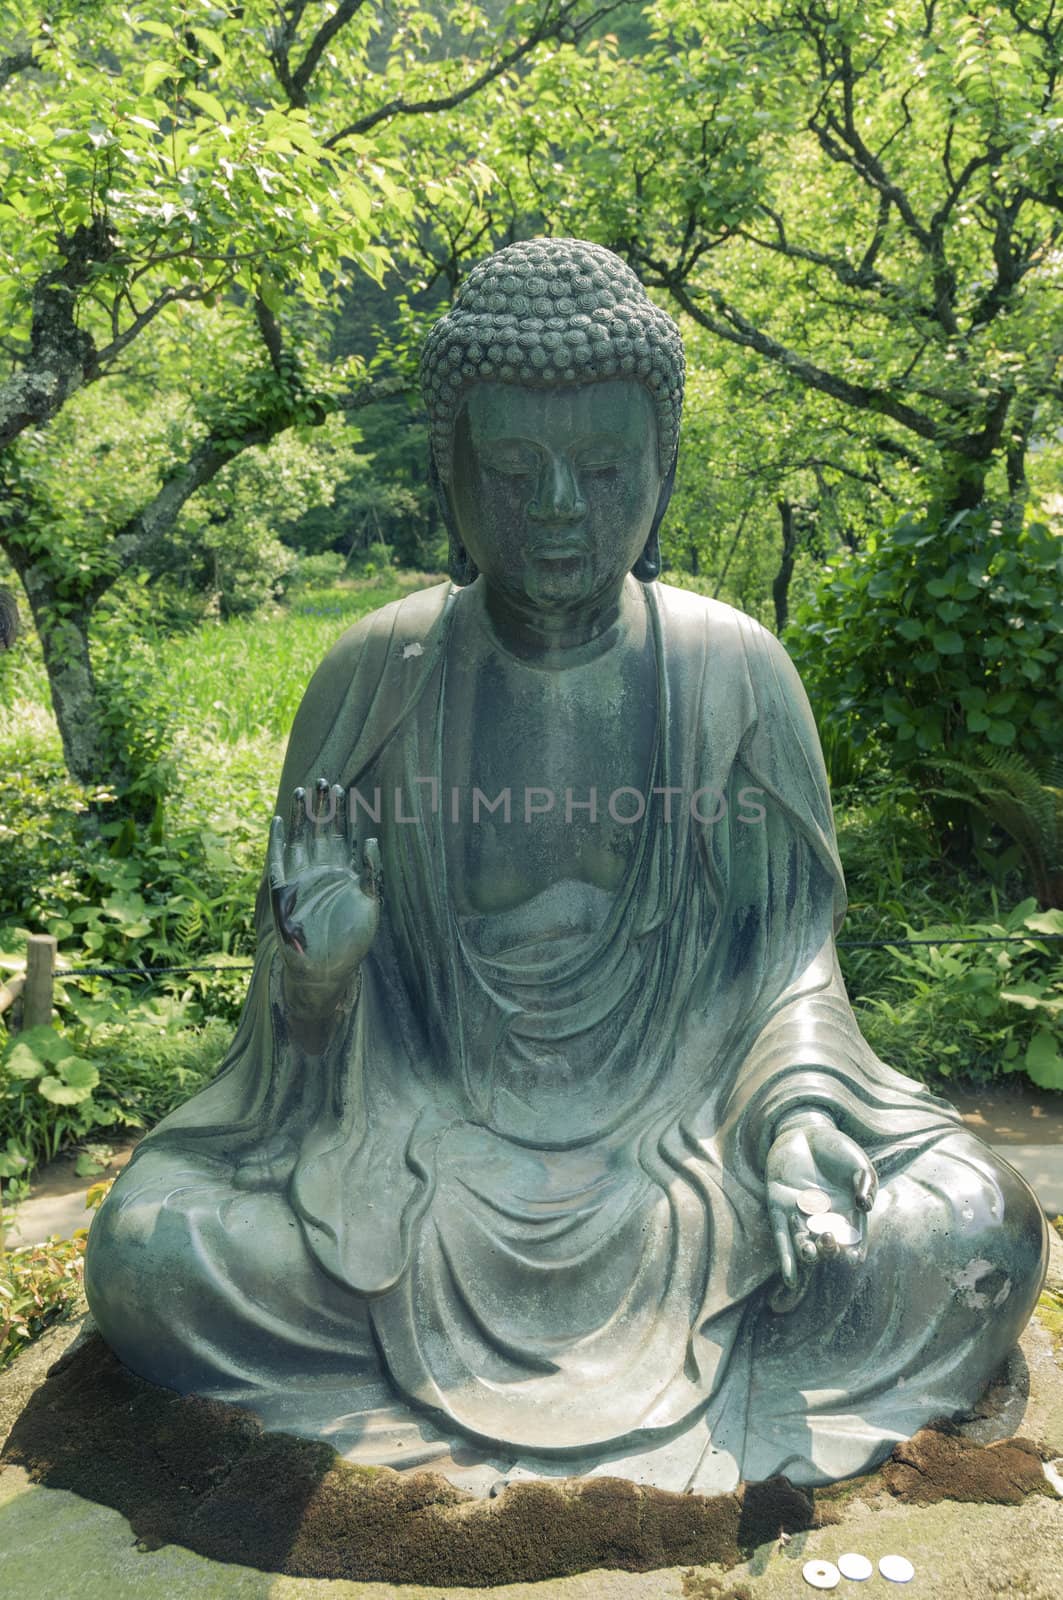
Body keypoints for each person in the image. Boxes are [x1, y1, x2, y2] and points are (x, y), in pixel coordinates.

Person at [85, 239, 1048, 1495]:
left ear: (662, 468)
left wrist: (804, 1125)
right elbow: (294, 1060)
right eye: (511, 468)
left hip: (683, 1156)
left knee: (973, 1227)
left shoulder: (732, 672)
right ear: (450, 474)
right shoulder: (374, 676)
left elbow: (783, 965)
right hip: (421, 1155)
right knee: (156, 1251)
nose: (556, 509)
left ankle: (469, 1416)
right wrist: (317, 980)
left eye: (601, 470)